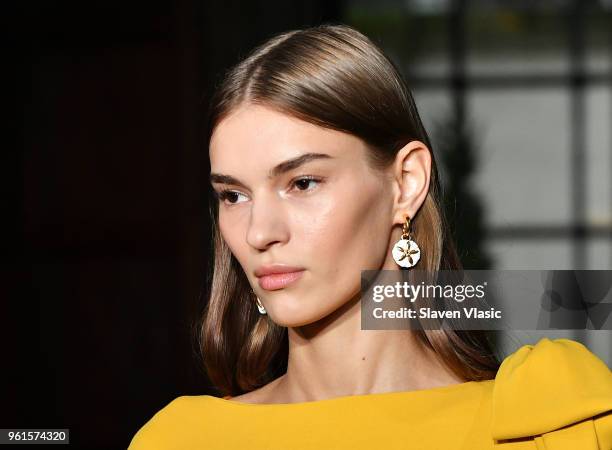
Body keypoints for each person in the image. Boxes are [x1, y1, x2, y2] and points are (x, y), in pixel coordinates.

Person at [128, 23, 612, 449]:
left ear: (406, 183)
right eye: (234, 195)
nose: (259, 233)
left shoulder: (551, 425)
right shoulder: (182, 439)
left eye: (302, 183)